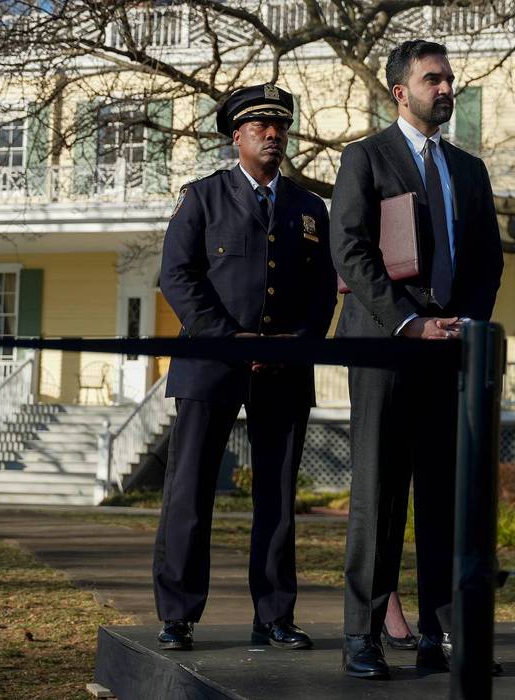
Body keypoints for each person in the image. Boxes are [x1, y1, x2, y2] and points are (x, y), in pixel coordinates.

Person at [330, 39, 504, 680]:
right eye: (433, 79)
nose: (446, 88)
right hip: (385, 346)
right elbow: (349, 251)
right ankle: (362, 635)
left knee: (443, 496)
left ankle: (440, 632)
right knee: (378, 493)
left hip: (450, 352)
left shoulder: (470, 170)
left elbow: (488, 259)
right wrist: (409, 321)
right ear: (400, 92)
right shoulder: (365, 159)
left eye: (451, 79)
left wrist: (462, 324)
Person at [153, 83, 337, 652]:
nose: (273, 135)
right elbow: (177, 277)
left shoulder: (309, 208)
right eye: (261, 126)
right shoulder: (203, 198)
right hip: (211, 363)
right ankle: (178, 615)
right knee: (190, 490)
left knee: (278, 497)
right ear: (237, 135)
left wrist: (293, 342)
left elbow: (323, 290)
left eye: (280, 126)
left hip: (283, 367)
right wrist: (230, 337)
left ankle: (275, 615)